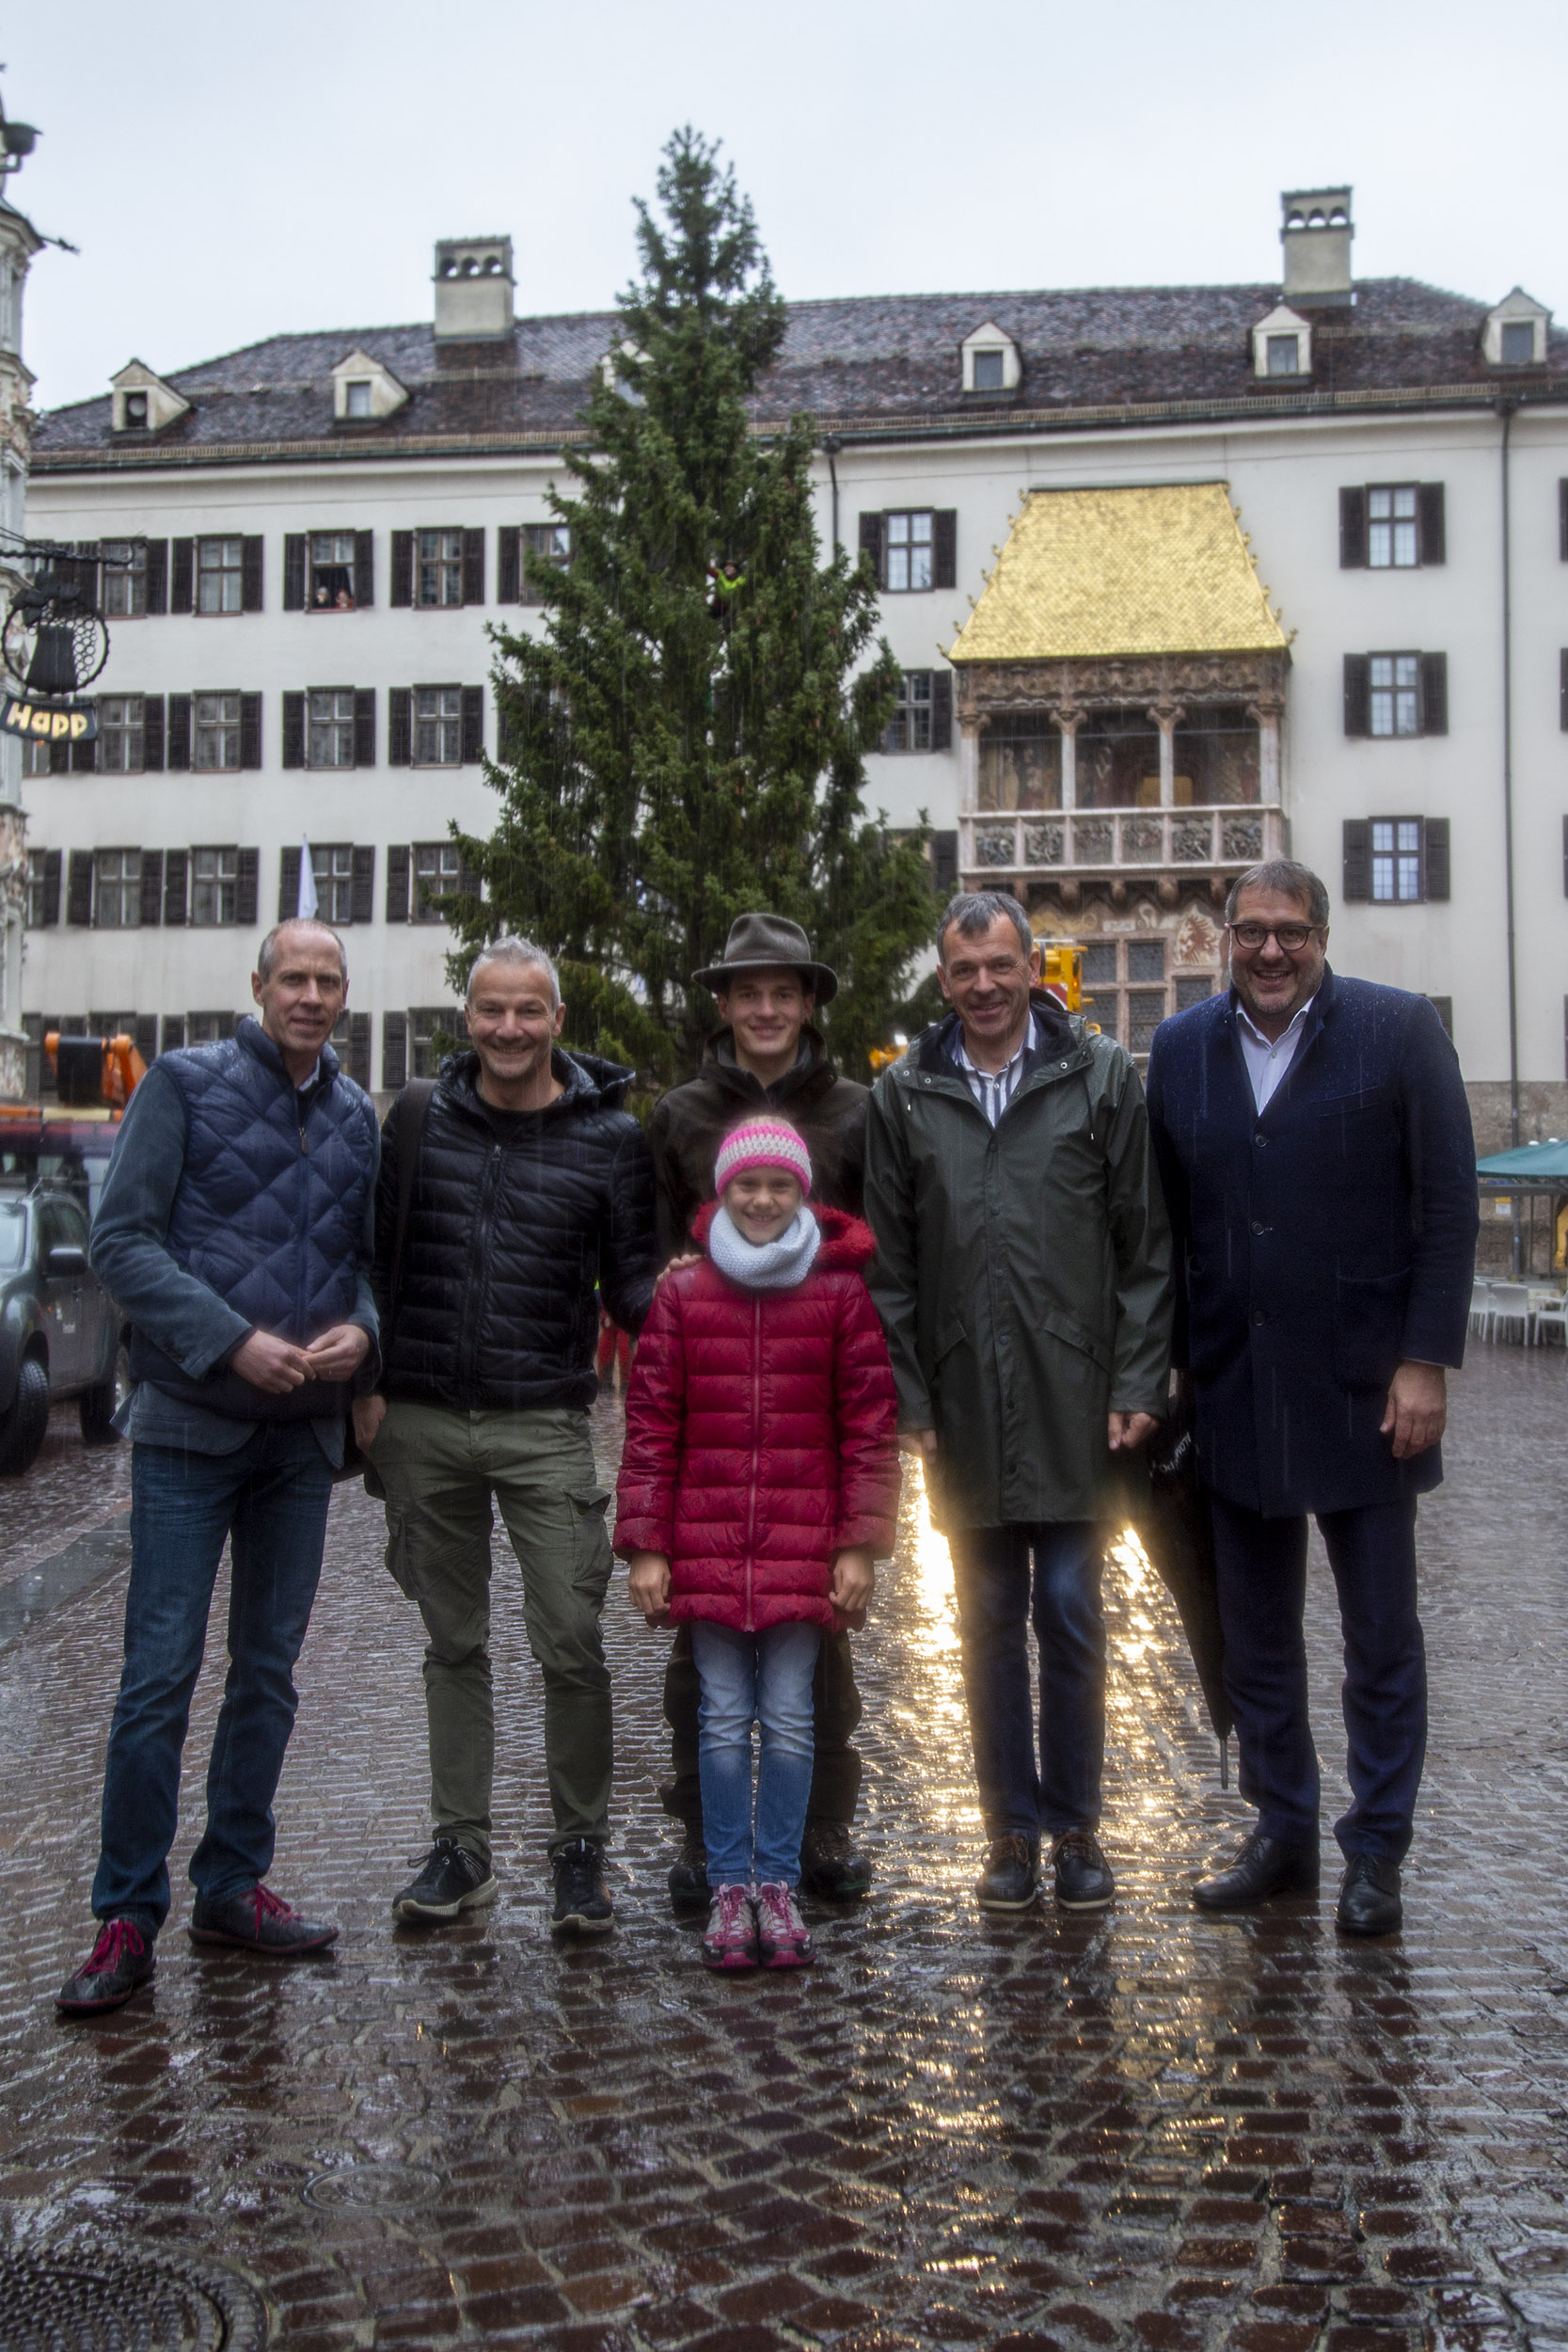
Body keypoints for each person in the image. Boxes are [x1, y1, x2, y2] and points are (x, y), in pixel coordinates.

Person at [1145, 860, 1478, 1935]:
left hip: (1367, 1390)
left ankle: (1374, 1847)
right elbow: (1167, 1220)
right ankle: (1280, 1829)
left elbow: (1448, 1204)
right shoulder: (1181, 1049)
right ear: (1222, 937)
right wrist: (1175, 1362)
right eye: (1251, 932)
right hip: (1236, 1387)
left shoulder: (1395, 1034)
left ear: (1321, 937)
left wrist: (1424, 1358)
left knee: (1379, 1636)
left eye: (1289, 932)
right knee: (1255, 1639)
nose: (1270, 951)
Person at [56, 919, 380, 2017]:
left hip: (298, 1443)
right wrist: (229, 1336)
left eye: (328, 979)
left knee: (268, 1674)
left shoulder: (353, 1114)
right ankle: (123, 1914)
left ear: (345, 994)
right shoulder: (185, 1085)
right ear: (257, 986)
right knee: (158, 1676)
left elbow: (363, 1268)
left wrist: (363, 1336)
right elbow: (121, 1243)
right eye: (293, 977)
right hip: (191, 1428)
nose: (311, 994)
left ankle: (231, 1885)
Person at [864, 891, 1172, 1916]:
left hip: (1079, 1393)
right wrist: (910, 1393)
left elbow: (1144, 1246)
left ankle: (1077, 1826)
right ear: (941, 980)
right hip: (961, 1396)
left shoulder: (1098, 1075)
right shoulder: (904, 1094)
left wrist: (1136, 1378)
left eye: (1001, 966)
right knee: (987, 1618)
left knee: (1076, 1612)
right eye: (964, 971)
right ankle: (1007, 1832)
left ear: (1034, 965)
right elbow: (890, 1269)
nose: (985, 986)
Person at [353, 936, 657, 1939]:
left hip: (543, 1421)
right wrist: (366, 1391)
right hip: (424, 1417)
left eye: (528, 1010)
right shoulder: (414, 1121)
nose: (509, 1028)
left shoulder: (611, 1139)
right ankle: (462, 1847)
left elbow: (639, 1291)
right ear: (468, 1016)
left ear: (556, 1019)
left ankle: (578, 1851)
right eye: (491, 1010)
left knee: (571, 1643)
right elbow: (373, 1264)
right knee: (454, 1644)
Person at [618, 1118, 899, 1969]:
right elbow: (650, 1426)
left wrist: (859, 1544)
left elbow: (868, 1428)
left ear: (803, 1191)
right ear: (723, 1192)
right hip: (705, 1547)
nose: (764, 1200)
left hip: (802, 1549)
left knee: (787, 1721)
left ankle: (775, 1880)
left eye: (780, 1185)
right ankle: (728, 1882)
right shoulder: (682, 1294)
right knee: (718, 1721)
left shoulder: (839, 1294)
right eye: (748, 1185)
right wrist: (646, 1546)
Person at [647, 911, 875, 1909]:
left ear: (810, 1003)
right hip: (710, 1416)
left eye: (784, 991)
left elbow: (882, 1253)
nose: (767, 1008)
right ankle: (707, 1837)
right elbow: (647, 1253)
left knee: (815, 1643)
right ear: (724, 1006)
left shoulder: (861, 1112)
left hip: (811, 1409)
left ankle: (817, 1830)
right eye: (749, 991)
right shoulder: (680, 1115)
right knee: (701, 1647)